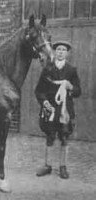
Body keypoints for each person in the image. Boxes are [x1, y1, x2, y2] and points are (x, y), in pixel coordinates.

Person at [35, 40, 81, 179]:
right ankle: (48, 166)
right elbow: (39, 90)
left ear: (67, 53)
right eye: (58, 49)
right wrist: (45, 103)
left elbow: (78, 91)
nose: (61, 52)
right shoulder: (47, 69)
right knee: (50, 135)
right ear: (55, 52)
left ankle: (63, 167)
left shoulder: (71, 70)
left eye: (63, 50)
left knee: (64, 136)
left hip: (65, 110)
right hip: (50, 108)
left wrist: (70, 87)